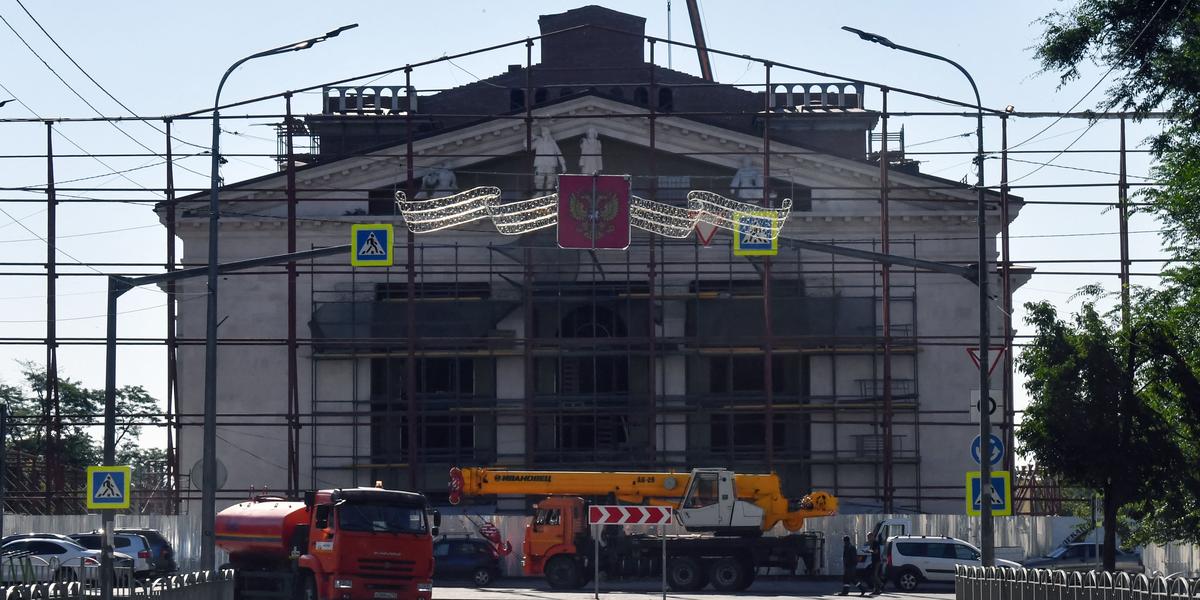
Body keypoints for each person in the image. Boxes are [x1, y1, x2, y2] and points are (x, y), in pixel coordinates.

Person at [532, 125, 566, 192]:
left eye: (544, 131)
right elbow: (528, 147)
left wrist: (563, 164)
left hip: (550, 164)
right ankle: (539, 193)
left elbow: (558, 152)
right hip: (540, 164)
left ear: (548, 132)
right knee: (539, 179)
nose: (543, 133)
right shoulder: (538, 141)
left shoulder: (552, 142)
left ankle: (549, 193)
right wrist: (531, 138)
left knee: (550, 180)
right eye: (542, 131)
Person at [866, 531, 883, 596]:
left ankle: (881, 584)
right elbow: (872, 550)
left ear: (872, 536)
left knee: (875, 575)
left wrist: (869, 551)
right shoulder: (872, 543)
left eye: (869, 537)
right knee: (873, 575)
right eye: (868, 537)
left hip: (877, 561)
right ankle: (876, 590)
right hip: (874, 561)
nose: (868, 539)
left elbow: (876, 551)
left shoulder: (875, 543)